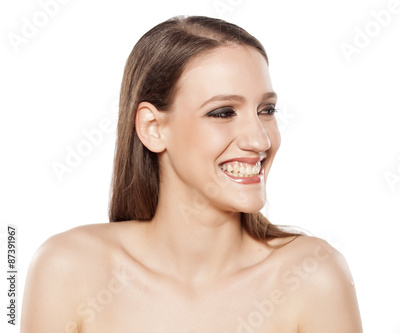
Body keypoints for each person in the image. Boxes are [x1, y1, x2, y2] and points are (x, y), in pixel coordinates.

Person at [20, 15, 362, 332]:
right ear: (153, 128)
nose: (260, 139)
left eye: (266, 110)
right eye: (224, 112)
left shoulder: (313, 276)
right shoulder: (67, 270)